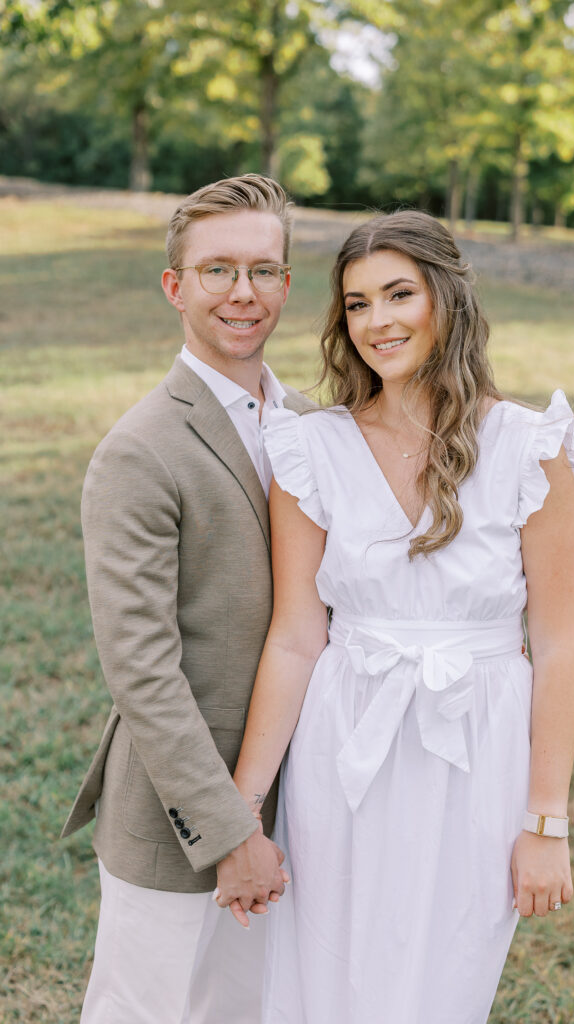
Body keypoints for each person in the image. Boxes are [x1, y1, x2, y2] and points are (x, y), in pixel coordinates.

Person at [228, 210, 574, 1023]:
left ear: (447, 299)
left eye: (399, 294)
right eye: (356, 304)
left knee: (439, 988)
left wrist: (546, 822)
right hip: (343, 741)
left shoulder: (531, 450)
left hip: (476, 748)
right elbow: (295, 637)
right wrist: (240, 809)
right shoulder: (309, 450)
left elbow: (559, 649)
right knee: (322, 978)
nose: (377, 322)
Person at [61, 174, 314, 1024]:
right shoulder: (139, 451)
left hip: (303, 800)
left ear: (286, 282)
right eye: (217, 271)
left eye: (264, 271)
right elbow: (142, 672)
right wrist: (228, 833)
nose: (243, 294)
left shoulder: (313, 426)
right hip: (183, 822)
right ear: (175, 286)